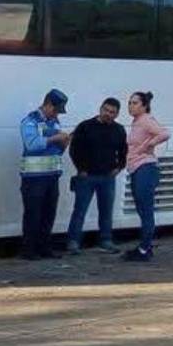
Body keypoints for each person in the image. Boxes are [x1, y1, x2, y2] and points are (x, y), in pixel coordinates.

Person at [65, 97, 127, 255]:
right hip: (87, 176)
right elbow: (74, 149)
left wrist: (119, 167)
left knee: (106, 211)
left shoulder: (119, 130)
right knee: (80, 210)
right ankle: (73, 241)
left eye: (112, 112)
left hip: (107, 177)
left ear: (117, 114)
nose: (108, 114)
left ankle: (106, 240)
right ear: (100, 109)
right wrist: (81, 169)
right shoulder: (85, 126)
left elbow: (124, 150)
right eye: (106, 110)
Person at [19, 89, 71, 260]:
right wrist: (55, 139)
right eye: (55, 110)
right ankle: (29, 250)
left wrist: (64, 143)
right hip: (33, 178)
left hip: (52, 176)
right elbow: (32, 144)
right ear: (48, 104)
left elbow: (57, 149)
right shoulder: (30, 121)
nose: (56, 114)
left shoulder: (55, 122)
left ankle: (44, 248)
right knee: (33, 214)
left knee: (49, 214)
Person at [124, 90, 170, 262]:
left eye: (135, 103)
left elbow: (164, 133)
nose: (131, 106)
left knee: (146, 209)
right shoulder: (136, 122)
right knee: (142, 209)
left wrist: (149, 144)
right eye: (130, 103)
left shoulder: (146, 120)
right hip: (136, 167)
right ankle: (145, 245)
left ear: (144, 106)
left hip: (145, 167)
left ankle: (145, 248)